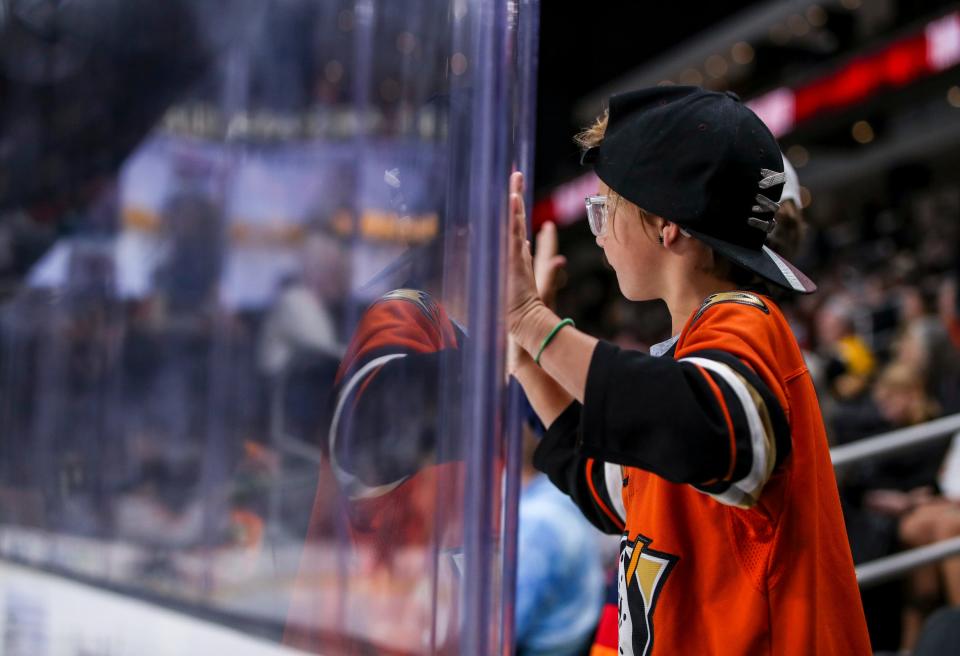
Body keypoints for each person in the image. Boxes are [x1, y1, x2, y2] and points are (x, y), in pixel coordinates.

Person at [506, 87, 871, 655]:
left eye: (605, 209)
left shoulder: (749, 324)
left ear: (665, 224)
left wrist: (534, 322)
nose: (598, 233)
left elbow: (708, 431)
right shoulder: (692, 358)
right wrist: (530, 361)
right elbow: (613, 492)